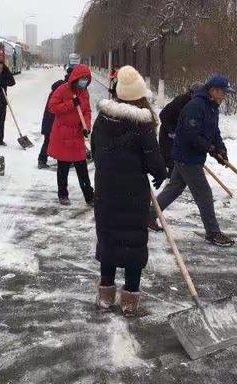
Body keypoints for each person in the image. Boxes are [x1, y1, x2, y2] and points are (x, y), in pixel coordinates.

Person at [91, 65, 166, 316]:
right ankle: (130, 299)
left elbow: (97, 153)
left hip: (105, 189)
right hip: (133, 193)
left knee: (109, 238)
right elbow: (153, 161)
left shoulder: (102, 119)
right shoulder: (142, 124)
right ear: (139, 96)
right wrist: (160, 173)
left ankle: (106, 294)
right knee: (133, 242)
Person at [150, 74, 235, 246]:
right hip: (186, 157)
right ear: (214, 90)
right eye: (224, 92)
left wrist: (221, 149)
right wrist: (210, 149)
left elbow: (214, 131)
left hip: (192, 156)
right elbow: (191, 135)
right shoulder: (195, 106)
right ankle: (212, 232)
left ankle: (149, 215)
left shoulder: (212, 106)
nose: (225, 96)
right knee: (204, 194)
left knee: (174, 189)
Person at [48, 64, 94, 206]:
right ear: (76, 78)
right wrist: (70, 103)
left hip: (77, 134)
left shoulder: (85, 93)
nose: (84, 82)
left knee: (82, 168)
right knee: (63, 167)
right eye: (82, 79)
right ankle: (63, 194)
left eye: (87, 80)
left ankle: (89, 196)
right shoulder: (62, 90)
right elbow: (52, 107)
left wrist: (86, 126)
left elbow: (87, 111)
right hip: (63, 134)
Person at [159, 82, 202, 176]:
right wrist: (171, 131)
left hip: (180, 134)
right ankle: (171, 182)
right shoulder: (181, 101)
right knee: (172, 159)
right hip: (168, 133)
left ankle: (177, 181)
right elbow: (163, 114)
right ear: (191, 93)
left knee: (180, 159)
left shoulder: (196, 104)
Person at [38, 78, 65, 169]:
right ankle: (42, 160)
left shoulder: (54, 92)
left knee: (50, 141)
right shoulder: (56, 95)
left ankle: (44, 160)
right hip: (51, 123)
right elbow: (55, 110)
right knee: (48, 141)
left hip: (50, 122)